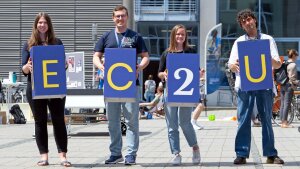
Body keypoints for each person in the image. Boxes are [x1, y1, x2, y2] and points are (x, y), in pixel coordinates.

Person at [93, 5, 149, 165]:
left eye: (123, 16)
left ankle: (131, 154)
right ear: (113, 18)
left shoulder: (135, 36)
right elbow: (95, 56)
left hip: (131, 85)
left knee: (132, 121)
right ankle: (116, 153)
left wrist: (139, 67)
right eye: (117, 16)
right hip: (111, 85)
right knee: (112, 121)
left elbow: (145, 57)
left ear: (127, 17)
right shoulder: (106, 37)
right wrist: (101, 66)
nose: (120, 18)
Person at [228, 9, 284, 165]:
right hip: (245, 86)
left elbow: (278, 64)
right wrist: (234, 66)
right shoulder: (239, 41)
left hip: (264, 85)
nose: (247, 22)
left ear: (255, 20)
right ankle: (241, 153)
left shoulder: (267, 39)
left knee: (266, 119)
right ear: (242, 25)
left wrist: (269, 59)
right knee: (243, 119)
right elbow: (231, 64)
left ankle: (271, 154)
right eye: (244, 21)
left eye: (249, 19)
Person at [21, 12, 71, 167]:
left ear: (49, 25)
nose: (42, 25)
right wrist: (27, 67)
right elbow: (23, 69)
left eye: (44, 22)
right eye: (39, 22)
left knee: (59, 121)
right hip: (35, 89)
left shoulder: (57, 42)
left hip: (55, 88)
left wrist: (65, 64)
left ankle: (63, 156)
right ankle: (44, 157)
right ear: (36, 25)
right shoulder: (29, 44)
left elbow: (63, 65)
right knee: (40, 122)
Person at [158, 24, 200, 166]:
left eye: (182, 34)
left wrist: (200, 73)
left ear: (185, 36)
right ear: (173, 36)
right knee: (172, 125)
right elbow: (160, 72)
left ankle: (195, 147)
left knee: (185, 123)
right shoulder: (167, 53)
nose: (180, 37)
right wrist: (163, 74)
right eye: (178, 34)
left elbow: (197, 70)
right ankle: (176, 153)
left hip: (186, 92)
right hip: (170, 92)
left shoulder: (191, 51)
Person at [280, 49, 299, 128]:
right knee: (287, 104)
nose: (297, 57)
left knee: (283, 104)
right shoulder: (293, 65)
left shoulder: (284, 62)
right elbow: (292, 78)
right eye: (297, 56)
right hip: (289, 86)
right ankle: (284, 123)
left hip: (282, 84)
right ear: (294, 55)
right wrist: (298, 82)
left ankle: (282, 121)